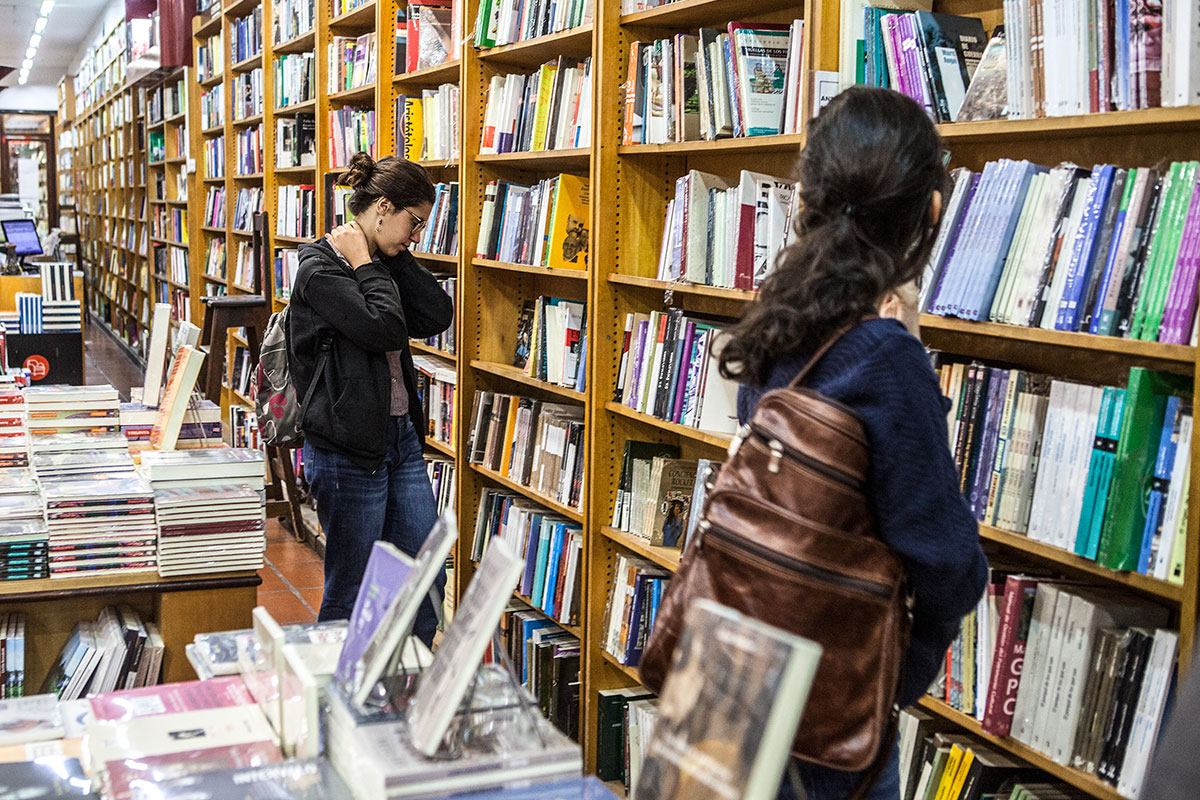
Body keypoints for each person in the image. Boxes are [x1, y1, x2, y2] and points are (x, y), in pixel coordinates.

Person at [718, 87, 990, 799]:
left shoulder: (781, 326)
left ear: (808, 195)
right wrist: (898, 676)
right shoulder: (885, 359)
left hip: (739, 668)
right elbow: (949, 563)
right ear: (931, 210)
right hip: (832, 708)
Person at [287, 152, 454, 646]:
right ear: (383, 206)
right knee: (351, 591)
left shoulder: (384, 261)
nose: (417, 235)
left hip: (400, 442)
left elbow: (436, 312)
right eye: (414, 223)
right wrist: (363, 261)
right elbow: (383, 328)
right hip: (347, 451)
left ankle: (415, 696)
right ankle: (338, 709)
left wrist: (391, 257)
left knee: (425, 578)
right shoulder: (319, 268)